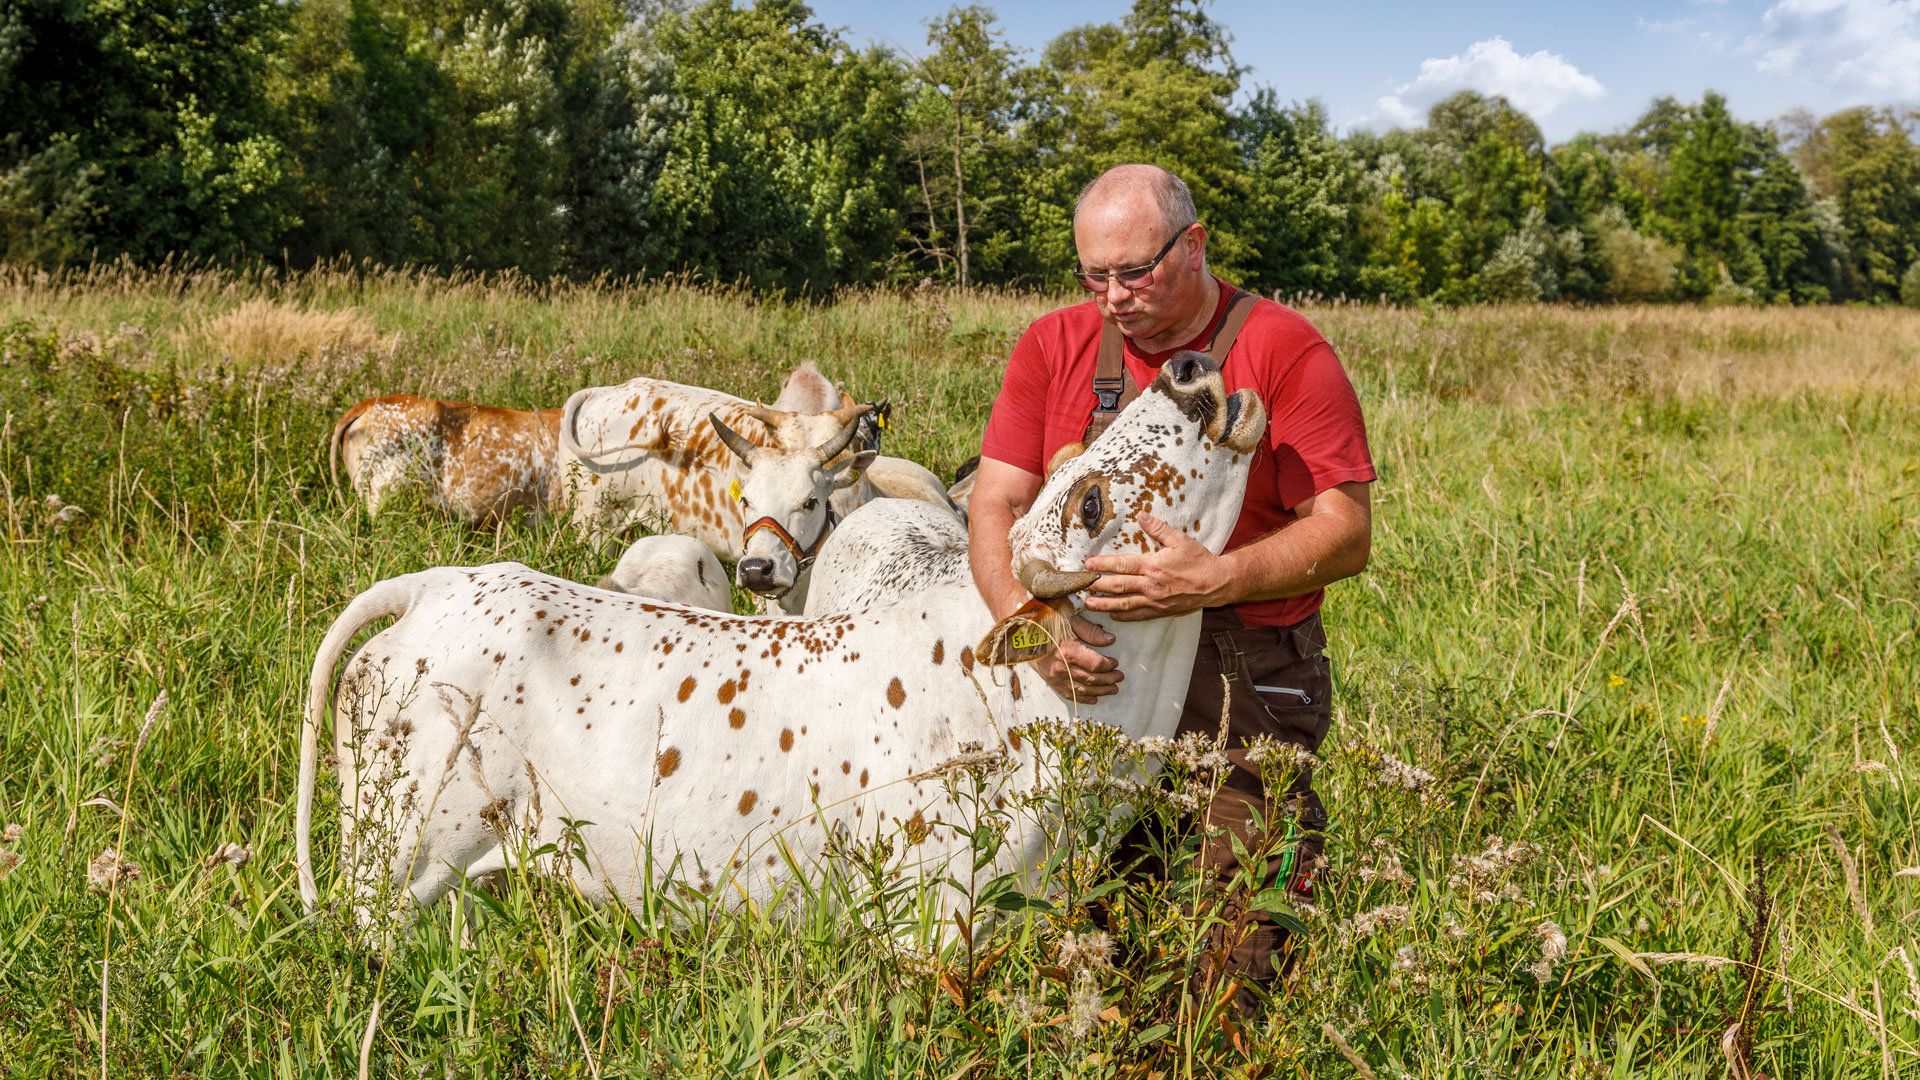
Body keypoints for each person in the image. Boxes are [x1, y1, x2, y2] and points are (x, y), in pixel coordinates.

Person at [967, 163, 1375, 992]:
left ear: (1193, 246)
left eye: (1134, 271)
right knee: (1082, 938)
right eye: (1094, 274)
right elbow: (993, 502)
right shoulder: (1055, 343)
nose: (1112, 296)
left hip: (1244, 673)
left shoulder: (1285, 348)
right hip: (1093, 672)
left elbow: (1345, 532)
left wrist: (1215, 578)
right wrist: (1028, 623)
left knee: (1234, 958)